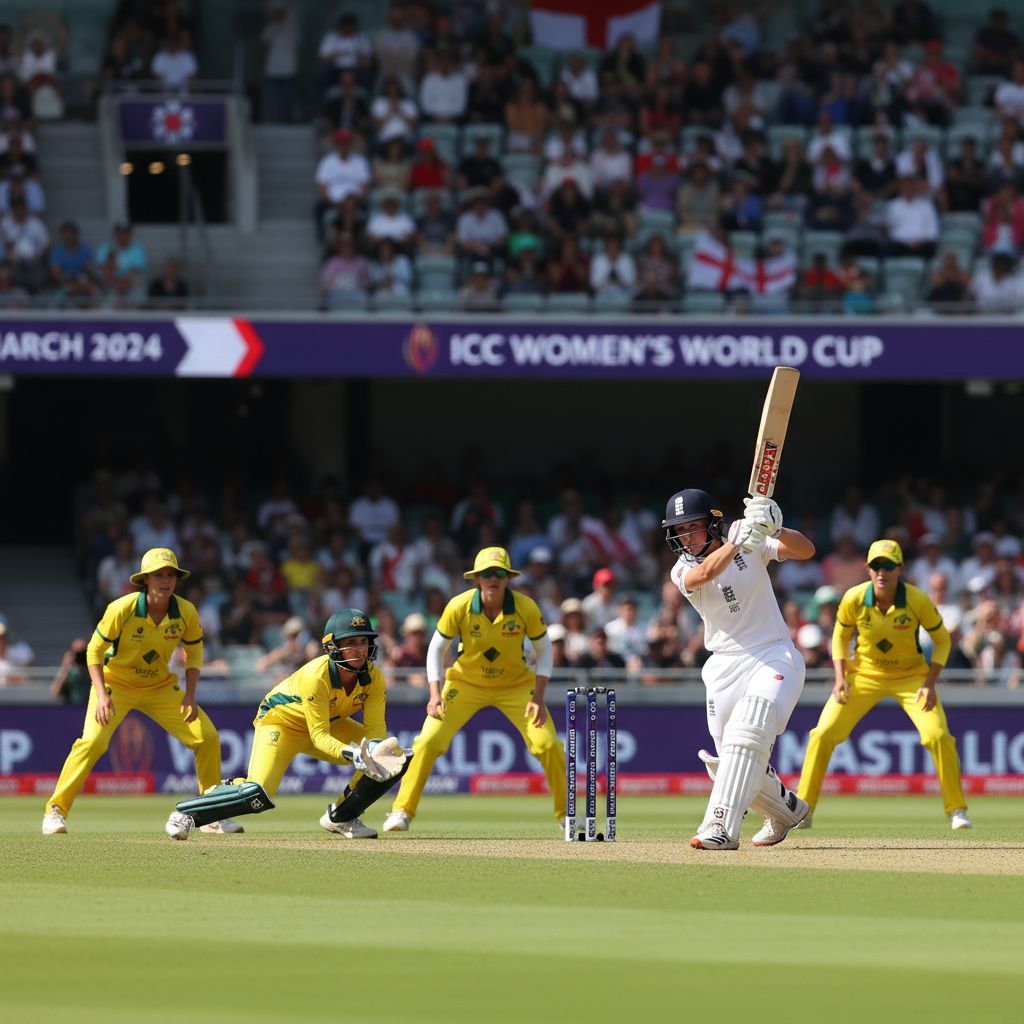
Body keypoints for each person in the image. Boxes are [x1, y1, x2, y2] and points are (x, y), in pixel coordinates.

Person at [41, 548, 238, 836]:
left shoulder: (185, 611)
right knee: (92, 743)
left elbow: (195, 653)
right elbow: (94, 651)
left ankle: (210, 815)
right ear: (145, 579)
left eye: (170, 574)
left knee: (207, 738)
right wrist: (102, 694)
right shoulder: (123, 608)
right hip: (115, 685)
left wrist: (190, 694)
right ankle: (55, 810)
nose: (165, 580)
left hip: (160, 687)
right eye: (158, 574)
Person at [165, 609, 409, 840]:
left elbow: (376, 728)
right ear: (332, 647)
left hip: (329, 723)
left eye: (364, 642)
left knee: (391, 757)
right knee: (257, 793)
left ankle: (341, 817)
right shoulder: (316, 676)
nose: (360, 650)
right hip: (280, 724)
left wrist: (375, 749)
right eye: (352, 643)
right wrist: (354, 752)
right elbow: (319, 737)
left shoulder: (374, 677)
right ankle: (187, 813)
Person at [661, 488, 817, 850]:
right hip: (723, 666)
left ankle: (720, 827)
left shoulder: (748, 540)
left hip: (774, 654)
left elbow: (806, 551)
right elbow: (703, 575)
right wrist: (736, 544)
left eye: (694, 528)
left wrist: (776, 530)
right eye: (680, 531)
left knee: (750, 728)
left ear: (713, 525)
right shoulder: (681, 569)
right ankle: (788, 810)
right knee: (729, 761)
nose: (687, 537)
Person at [382, 547, 566, 833]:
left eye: (500, 573)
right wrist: (434, 693)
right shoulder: (460, 605)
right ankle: (401, 811)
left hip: (517, 685)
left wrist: (539, 697)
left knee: (548, 745)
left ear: (508, 577)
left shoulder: (525, 607)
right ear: (477, 578)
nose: (493, 578)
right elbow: (436, 649)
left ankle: (567, 816)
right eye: (487, 574)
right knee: (427, 742)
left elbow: (544, 652)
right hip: (464, 683)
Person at [796, 539, 971, 831]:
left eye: (888, 566)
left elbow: (942, 641)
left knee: (938, 735)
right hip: (864, 674)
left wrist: (929, 683)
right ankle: (804, 808)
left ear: (900, 569)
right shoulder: (854, 597)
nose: (882, 572)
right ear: (868, 568)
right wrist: (840, 677)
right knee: (823, 733)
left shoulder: (917, 600)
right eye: (876, 565)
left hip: (912, 678)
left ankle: (957, 810)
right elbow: (840, 636)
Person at [50, 637, 91, 704]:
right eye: (77, 653)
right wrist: (65, 668)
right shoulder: (69, 670)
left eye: (83, 653)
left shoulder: (93, 667)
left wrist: (88, 667)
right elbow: (55, 692)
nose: (79, 657)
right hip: (70, 709)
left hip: (89, 707)